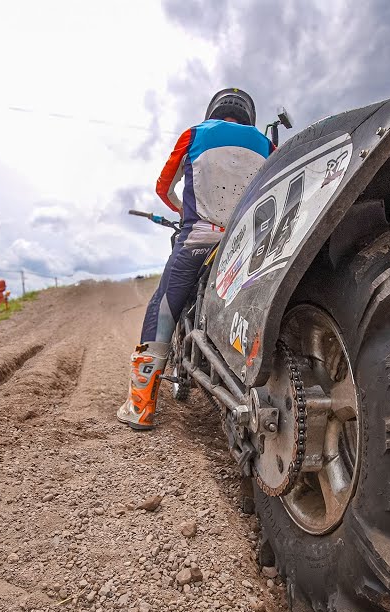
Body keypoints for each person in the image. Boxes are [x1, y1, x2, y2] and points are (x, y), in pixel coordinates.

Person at [116, 88, 275, 430]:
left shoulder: (196, 134)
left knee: (164, 304)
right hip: (248, 245)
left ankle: (140, 407)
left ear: (213, 110)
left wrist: (182, 208)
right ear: (249, 115)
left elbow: (163, 187)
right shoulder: (266, 144)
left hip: (199, 237)